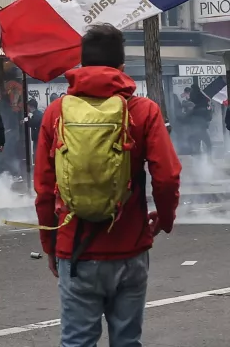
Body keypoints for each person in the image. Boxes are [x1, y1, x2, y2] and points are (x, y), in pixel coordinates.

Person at [34, 24, 181, 346]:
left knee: (77, 342)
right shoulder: (143, 111)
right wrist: (164, 220)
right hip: (130, 248)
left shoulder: (56, 114)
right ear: (122, 68)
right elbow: (167, 177)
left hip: (76, 250)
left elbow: (44, 190)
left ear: (81, 65)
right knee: (127, 341)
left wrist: (51, 245)